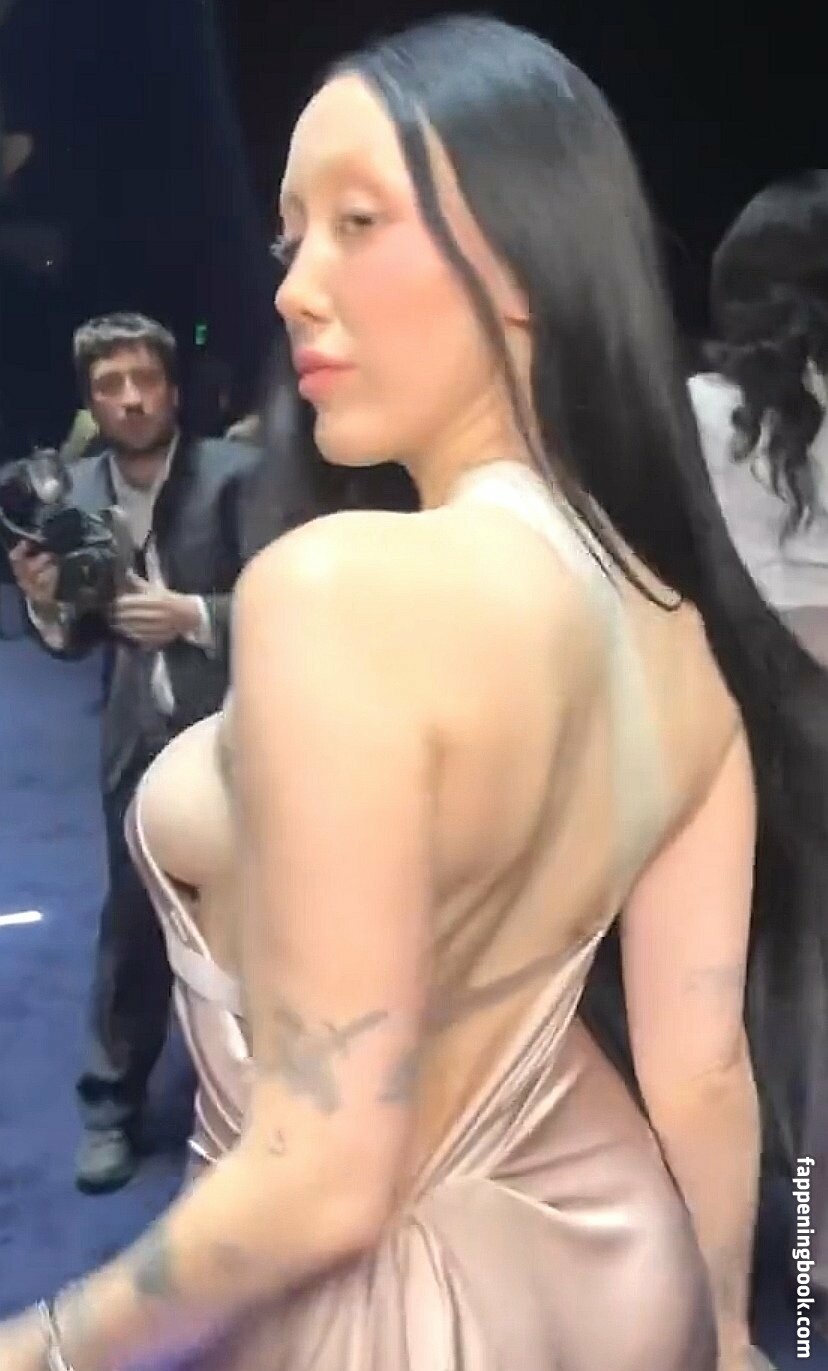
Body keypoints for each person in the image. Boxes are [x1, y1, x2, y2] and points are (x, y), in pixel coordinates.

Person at [4, 15, 826, 1370]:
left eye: (359, 222)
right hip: (627, 1274)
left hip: (390, 1315)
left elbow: (322, 1178)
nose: (294, 289)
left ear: (522, 255)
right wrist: (736, 1330)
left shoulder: (341, 589)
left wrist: (37, 1343)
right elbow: (704, 1073)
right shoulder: (678, 632)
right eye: (292, 238)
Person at [7, 312, 261, 1194]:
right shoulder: (71, 490)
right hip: (135, 733)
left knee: (261, 915)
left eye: (144, 379)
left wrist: (194, 615)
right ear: (91, 399)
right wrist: (45, 602)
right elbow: (74, 637)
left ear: (173, 388)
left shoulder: (237, 475)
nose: (130, 398)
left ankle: (268, 1097)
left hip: (242, 722)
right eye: (110, 385)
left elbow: (295, 597)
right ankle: (110, 1105)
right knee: (132, 919)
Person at [689, 170, 828, 1338]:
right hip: (796, 748)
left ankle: (800, 1262)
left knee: (773, 1030)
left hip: (740, 752)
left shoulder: (682, 414)